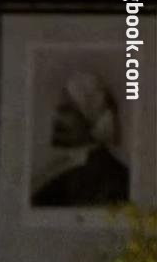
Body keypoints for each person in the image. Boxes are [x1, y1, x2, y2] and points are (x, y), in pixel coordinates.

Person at [32, 71, 131, 208]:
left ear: (90, 120)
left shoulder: (110, 179)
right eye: (58, 110)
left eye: (66, 110)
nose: (57, 119)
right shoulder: (59, 170)